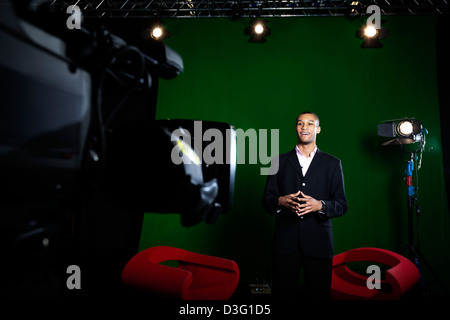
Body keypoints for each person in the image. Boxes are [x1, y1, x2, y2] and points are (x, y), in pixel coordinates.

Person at [262, 111, 348, 300]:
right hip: (285, 243)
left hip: (319, 243)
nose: (304, 127)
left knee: (319, 295)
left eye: (310, 124)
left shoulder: (333, 164)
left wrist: (320, 205)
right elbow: (266, 200)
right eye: (300, 123)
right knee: (281, 295)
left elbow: (342, 205)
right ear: (296, 128)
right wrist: (279, 201)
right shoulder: (278, 161)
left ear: (318, 129)